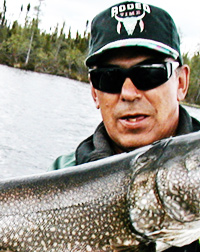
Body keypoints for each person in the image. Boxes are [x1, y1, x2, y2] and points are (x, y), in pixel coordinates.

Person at [50, 1, 200, 251]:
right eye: (109, 78)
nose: (129, 93)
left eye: (149, 73)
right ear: (95, 93)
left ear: (181, 83)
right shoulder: (58, 175)